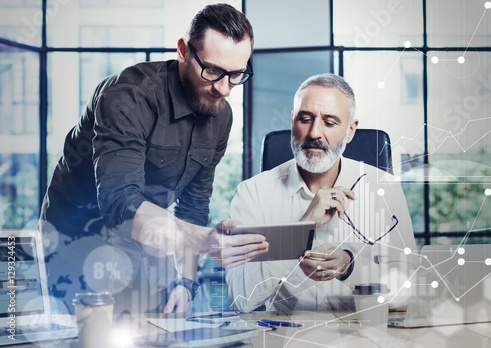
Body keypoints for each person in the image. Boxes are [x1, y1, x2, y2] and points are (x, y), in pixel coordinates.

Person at [37, 4, 268, 315]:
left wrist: (185, 283)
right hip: (74, 248)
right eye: (212, 71)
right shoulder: (127, 96)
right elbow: (121, 205)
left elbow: (193, 207)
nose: (224, 88)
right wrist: (205, 241)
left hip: (145, 249)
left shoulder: (220, 117)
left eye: (236, 74)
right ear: (184, 51)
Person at [226, 73, 418, 312]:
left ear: (350, 130)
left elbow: (409, 291)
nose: (315, 132)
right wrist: (300, 230)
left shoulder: (383, 189)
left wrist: (350, 267)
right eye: (305, 119)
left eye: (329, 122)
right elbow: (240, 298)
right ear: (293, 121)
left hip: (361, 334)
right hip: (287, 338)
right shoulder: (253, 192)